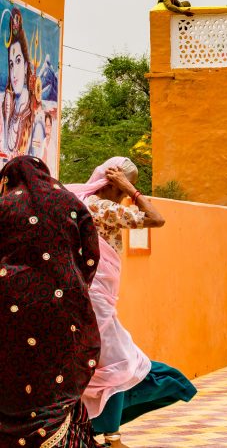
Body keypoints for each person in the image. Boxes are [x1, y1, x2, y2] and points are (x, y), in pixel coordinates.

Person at [67, 158, 196, 448]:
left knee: (107, 369)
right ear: (112, 182)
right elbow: (156, 219)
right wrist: (133, 191)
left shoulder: (83, 203)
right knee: (119, 364)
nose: (126, 194)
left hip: (92, 299)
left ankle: (91, 434)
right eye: (124, 187)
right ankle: (111, 438)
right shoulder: (101, 207)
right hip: (96, 301)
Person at [0, 155, 102, 447]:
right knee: (57, 379)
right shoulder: (71, 204)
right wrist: (72, 287)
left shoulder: (4, 206)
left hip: (10, 307)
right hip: (64, 307)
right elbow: (91, 256)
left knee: (14, 377)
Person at [2, 9, 46, 159]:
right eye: (11, 63)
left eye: (18, 60)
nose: (14, 72)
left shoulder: (36, 116)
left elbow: (36, 166)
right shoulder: (7, 107)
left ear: (27, 66)